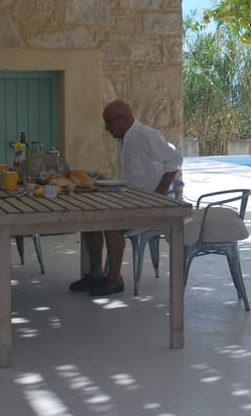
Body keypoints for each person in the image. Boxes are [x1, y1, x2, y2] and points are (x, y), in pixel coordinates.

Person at [69, 100, 182, 296]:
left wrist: (160, 194)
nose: (107, 129)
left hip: (148, 206)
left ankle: (115, 280)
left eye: (108, 124)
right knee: (91, 219)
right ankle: (95, 275)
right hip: (129, 201)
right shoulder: (125, 139)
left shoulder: (147, 136)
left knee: (111, 223)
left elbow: (175, 159)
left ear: (121, 120)